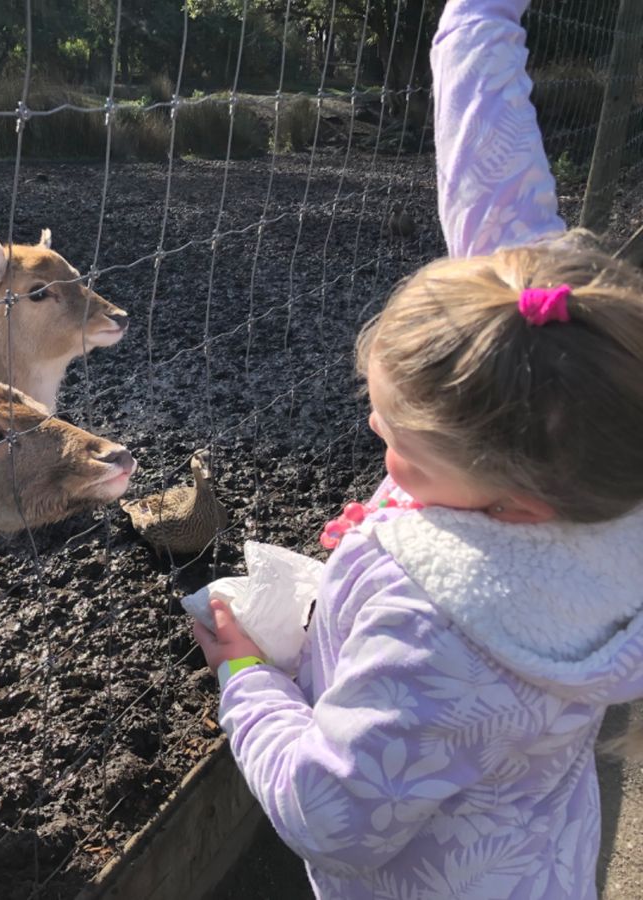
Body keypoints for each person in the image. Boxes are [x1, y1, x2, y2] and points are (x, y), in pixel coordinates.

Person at [192, 1, 643, 897]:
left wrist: (246, 680)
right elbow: (500, 208)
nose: (375, 436)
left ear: (515, 509)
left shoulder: (433, 630)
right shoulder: (573, 396)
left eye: (404, 452)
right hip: (538, 860)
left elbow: (330, 815)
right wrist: (476, 21)